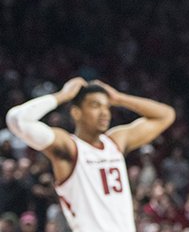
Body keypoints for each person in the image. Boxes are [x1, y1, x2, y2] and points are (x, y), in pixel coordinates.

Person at [5, 77, 176, 232]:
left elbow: (166, 115)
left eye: (106, 107)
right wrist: (62, 96)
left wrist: (119, 98)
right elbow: (16, 120)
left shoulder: (116, 142)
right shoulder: (69, 148)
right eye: (95, 106)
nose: (104, 112)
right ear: (76, 113)